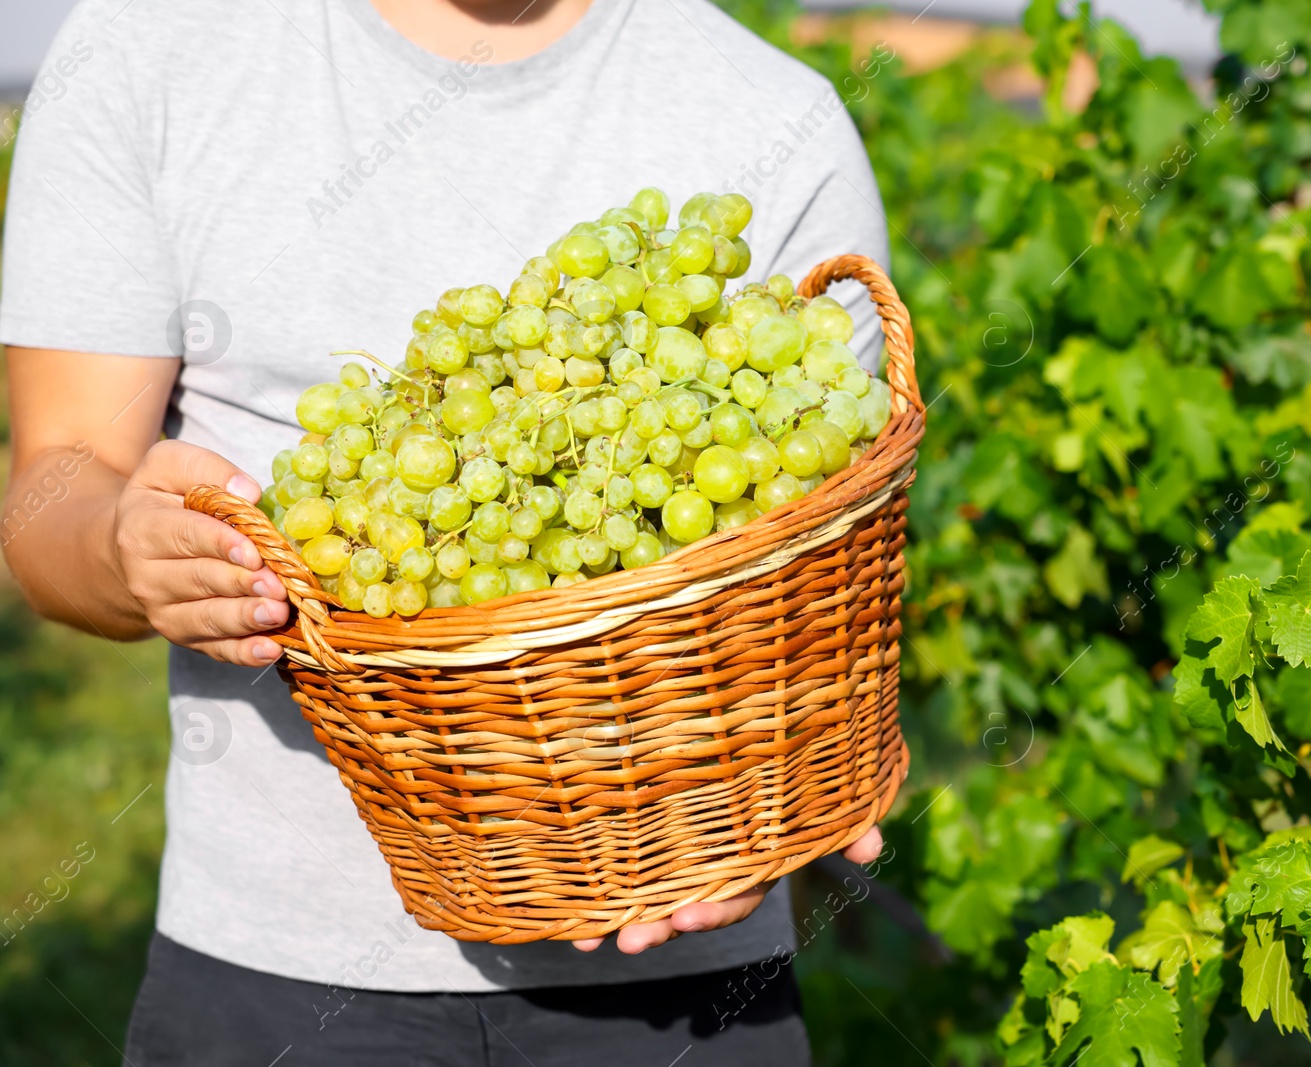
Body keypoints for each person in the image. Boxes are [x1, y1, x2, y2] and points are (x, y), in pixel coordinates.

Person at [0, 0, 890, 1062]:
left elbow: (824, 530)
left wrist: (802, 753)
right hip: (276, 971)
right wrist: (123, 552)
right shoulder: (150, 48)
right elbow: (51, 485)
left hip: (684, 974)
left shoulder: (773, 110)